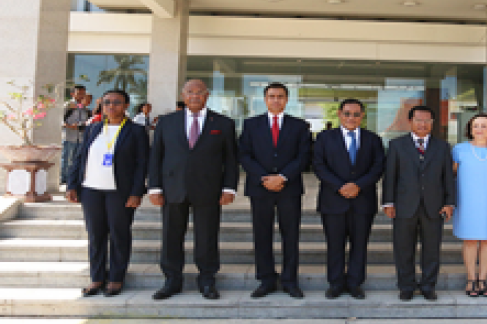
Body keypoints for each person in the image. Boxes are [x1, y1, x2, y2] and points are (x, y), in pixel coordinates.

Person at [147, 79, 239, 300]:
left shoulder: (224, 123)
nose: (195, 96)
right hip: (172, 188)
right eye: (190, 92)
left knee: (207, 237)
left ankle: (207, 280)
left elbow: (231, 160)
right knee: (171, 236)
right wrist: (154, 188)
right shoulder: (167, 122)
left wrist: (229, 188)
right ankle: (172, 280)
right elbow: (156, 157)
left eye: (199, 92)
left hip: (208, 189)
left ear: (207, 96)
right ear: (183, 95)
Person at [65, 89, 149, 297]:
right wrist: (72, 185)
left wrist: (137, 192)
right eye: (107, 102)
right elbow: (79, 158)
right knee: (96, 235)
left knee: (119, 235)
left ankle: (116, 278)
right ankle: (97, 278)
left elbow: (142, 164)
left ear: (126, 105)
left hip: (119, 192)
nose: (111, 106)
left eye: (117, 102)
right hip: (91, 190)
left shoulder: (136, 131)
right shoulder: (93, 128)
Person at [239, 83, 311, 299]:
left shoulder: (299, 126)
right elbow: (244, 155)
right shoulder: (251, 125)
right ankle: (266, 279)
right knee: (262, 235)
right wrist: (264, 177)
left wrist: (282, 177)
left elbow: (304, 156)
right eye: (272, 96)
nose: (276, 100)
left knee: (290, 236)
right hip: (260, 189)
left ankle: (290, 280)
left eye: (280, 96)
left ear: (287, 99)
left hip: (289, 189)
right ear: (265, 99)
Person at [312, 99, 385, 300]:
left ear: (362, 116)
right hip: (333, 200)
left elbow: (378, 167)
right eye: (347, 113)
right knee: (334, 245)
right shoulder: (325, 138)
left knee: (359, 244)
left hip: (363, 201)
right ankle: (335, 283)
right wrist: (340, 186)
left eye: (355, 114)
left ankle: (354, 283)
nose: (351, 118)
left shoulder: (373, 139)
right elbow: (319, 165)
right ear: (339, 114)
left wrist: (358, 185)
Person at [382, 105, 456, 302]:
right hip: (404, 205)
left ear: (433, 123)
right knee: (403, 249)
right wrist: (388, 202)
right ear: (410, 122)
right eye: (418, 120)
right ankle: (406, 286)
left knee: (431, 250)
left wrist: (450, 203)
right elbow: (390, 176)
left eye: (427, 121)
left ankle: (428, 286)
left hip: (434, 206)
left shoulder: (442, 147)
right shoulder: (397, 145)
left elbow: (448, 177)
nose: (422, 124)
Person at [451, 113, 487, 298]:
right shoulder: (459, 150)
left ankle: (483, 279)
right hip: (467, 201)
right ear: (469, 129)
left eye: (484, 125)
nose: (480, 129)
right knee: (469, 240)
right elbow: (452, 176)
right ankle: (470, 278)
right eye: (476, 125)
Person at [61, 85, 90, 184]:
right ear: (73, 94)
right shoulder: (68, 105)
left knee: (76, 159)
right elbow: (60, 121)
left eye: (83, 93)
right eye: (79, 93)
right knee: (66, 159)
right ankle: (64, 179)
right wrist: (69, 126)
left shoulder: (84, 107)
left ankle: (73, 178)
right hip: (69, 136)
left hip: (80, 137)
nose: (82, 95)